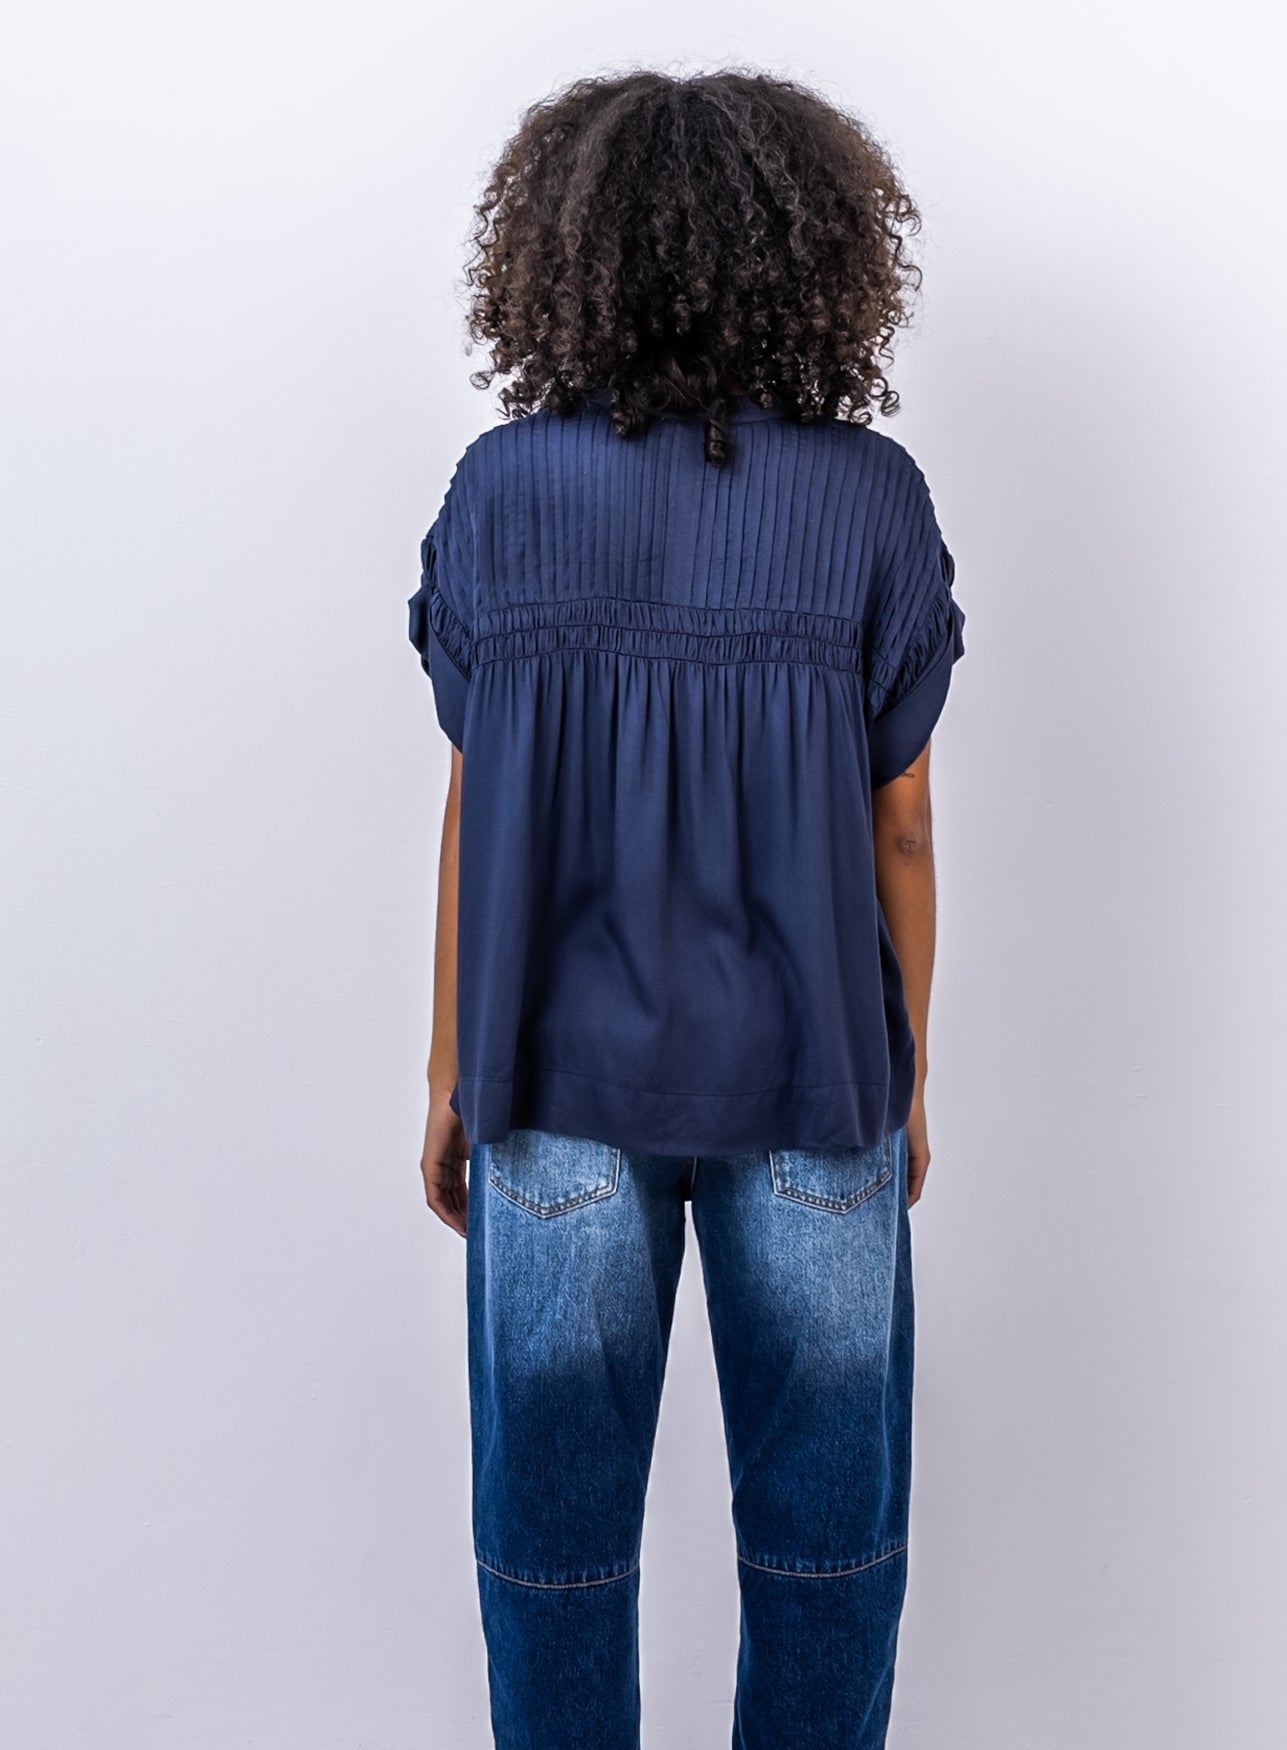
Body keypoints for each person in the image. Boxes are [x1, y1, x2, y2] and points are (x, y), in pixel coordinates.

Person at [407, 66, 968, 1750]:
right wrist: (905, 1069)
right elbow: (903, 824)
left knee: (553, 1559)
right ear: (814, 260)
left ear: (566, 258)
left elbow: (473, 802)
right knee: (828, 1557)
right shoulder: (870, 500)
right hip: (816, 1085)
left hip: (552, 1084)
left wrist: (446, 1070)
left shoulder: (500, 492)